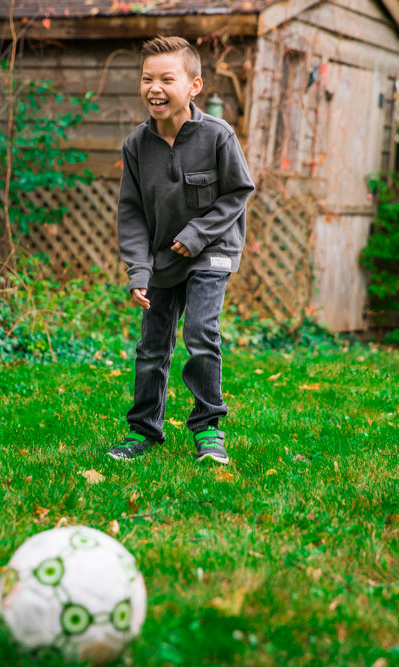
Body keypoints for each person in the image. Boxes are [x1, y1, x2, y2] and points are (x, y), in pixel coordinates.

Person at [107, 35, 255, 465]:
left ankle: (208, 428)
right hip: (162, 256)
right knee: (152, 345)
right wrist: (139, 270)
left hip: (213, 248)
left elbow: (237, 192)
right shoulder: (137, 145)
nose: (154, 87)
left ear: (193, 86)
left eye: (166, 78)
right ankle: (144, 431)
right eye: (146, 78)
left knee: (200, 334)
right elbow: (131, 213)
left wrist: (196, 235)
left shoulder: (217, 135)